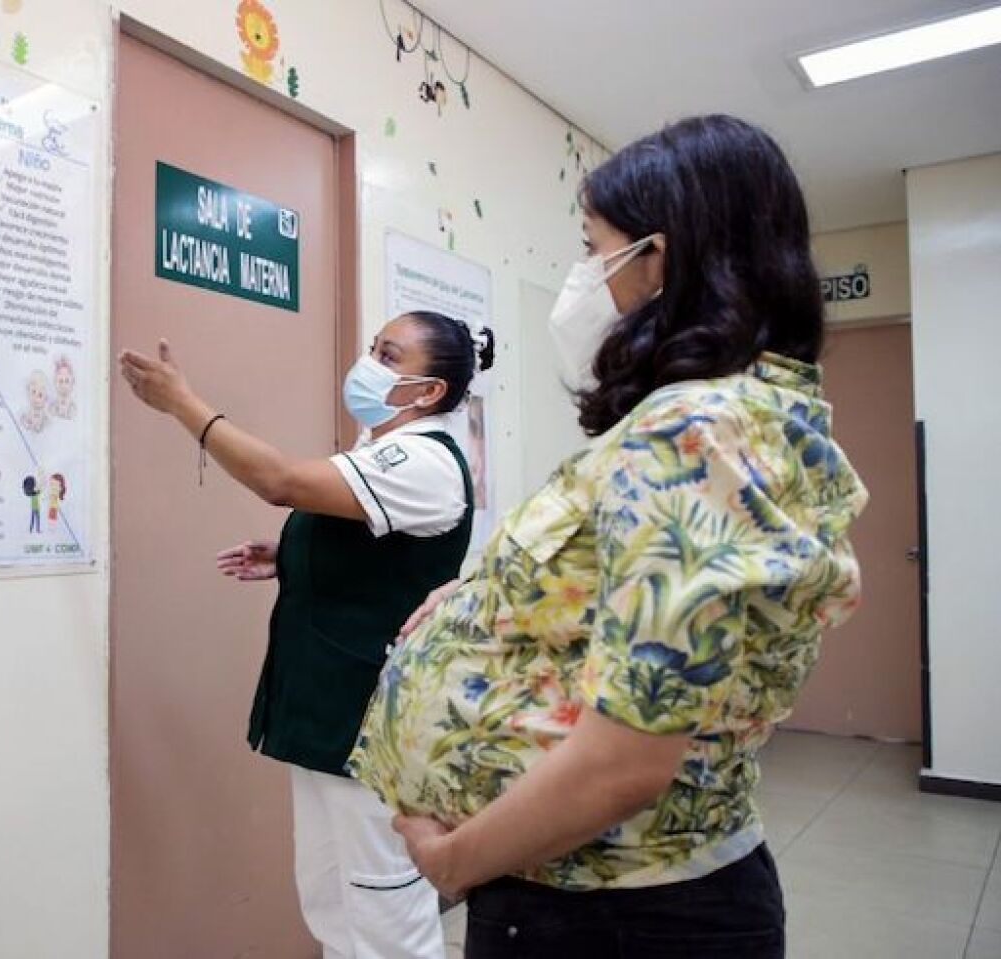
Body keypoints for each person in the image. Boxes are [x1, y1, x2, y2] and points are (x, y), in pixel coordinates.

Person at [346, 115, 868, 959]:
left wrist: (452, 861)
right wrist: (488, 593)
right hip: (631, 898)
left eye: (594, 248)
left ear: (659, 256)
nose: (586, 275)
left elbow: (627, 760)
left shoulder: (693, 433)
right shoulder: (746, 410)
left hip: (611, 912)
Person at [120, 311, 494, 959]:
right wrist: (294, 555)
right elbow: (365, 541)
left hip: (373, 726)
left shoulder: (426, 460)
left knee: (387, 920)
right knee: (330, 903)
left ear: (430, 390)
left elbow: (282, 482)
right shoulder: (378, 451)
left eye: (389, 355)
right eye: (373, 347)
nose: (368, 363)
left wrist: (183, 403)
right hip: (327, 720)